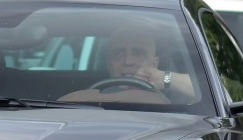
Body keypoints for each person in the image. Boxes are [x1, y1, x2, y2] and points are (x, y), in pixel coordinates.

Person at [60, 26, 195, 104]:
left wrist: (164, 78)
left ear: (154, 63)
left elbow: (209, 91)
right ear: (108, 63)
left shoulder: (178, 100)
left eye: (138, 53)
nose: (127, 61)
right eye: (118, 53)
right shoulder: (94, 95)